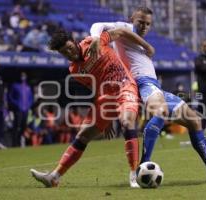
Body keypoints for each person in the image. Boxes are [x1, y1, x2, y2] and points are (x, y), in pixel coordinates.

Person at [90, 6, 206, 181]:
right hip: (142, 84)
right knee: (160, 112)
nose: (144, 27)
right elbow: (97, 24)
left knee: (194, 121)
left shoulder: (134, 38)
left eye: (148, 24)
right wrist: (95, 39)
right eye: (141, 22)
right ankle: (143, 165)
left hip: (154, 86)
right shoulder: (126, 28)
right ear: (132, 19)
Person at [30, 26, 156, 188]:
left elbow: (122, 32)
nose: (69, 53)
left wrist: (146, 46)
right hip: (105, 96)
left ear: (74, 42)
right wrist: (107, 118)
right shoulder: (74, 70)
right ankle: (54, 177)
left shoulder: (93, 41)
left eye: (69, 48)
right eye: (64, 52)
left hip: (125, 85)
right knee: (83, 135)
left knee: (126, 122)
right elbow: (96, 87)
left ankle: (134, 175)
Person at [8, 72, 33, 147]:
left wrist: (29, 105)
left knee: (24, 127)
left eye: (24, 76)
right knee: (17, 127)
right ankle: (15, 143)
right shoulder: (15, 85)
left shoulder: (28, 87)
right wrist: (16, 104)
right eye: (21, 75)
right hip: (18, 110)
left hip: (25, 110)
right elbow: (10, 97)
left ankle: (22, 142)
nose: (23, 77)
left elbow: (31, 98)